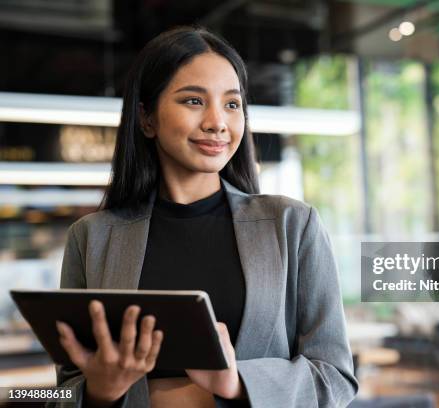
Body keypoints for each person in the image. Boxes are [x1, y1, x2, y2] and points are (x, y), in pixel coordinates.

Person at [50, 26, 358, 408]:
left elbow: (337, 379)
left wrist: (237, 382)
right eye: (193, 101)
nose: (218, 122)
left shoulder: (292, 225)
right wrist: (100, 391)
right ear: (146, 118)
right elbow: (58, 393)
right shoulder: (92, 237)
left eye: (231, 104)